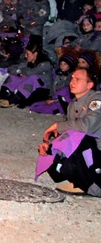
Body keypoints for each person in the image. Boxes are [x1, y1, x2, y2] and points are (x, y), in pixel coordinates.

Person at [37, 68, 101, 196]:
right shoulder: (72, 106)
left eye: (78, 79)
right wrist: (49, 144)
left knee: (79, 138)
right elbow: (66, 133)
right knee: (50, 153)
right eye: (72, 78)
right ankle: (75, 176)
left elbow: (86, 127)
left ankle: (93, 186)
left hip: (97, 151)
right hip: (87, 150)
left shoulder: (97, 99)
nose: (72, 81)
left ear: (89, 85)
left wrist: (57, 125)